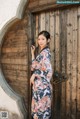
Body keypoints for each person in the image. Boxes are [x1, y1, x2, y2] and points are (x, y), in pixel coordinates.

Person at [30, 30, 53, 119]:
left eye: (43, 39)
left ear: (48, 40)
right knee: (38, 113)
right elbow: (34, 66)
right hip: (38, 87)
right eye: (39, 39)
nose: (40, 41)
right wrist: (33, 53)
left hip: (42, 88)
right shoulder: (42, 53)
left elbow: (48, 70)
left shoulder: (46, 53)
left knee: (41, 113)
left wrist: (35, 74)